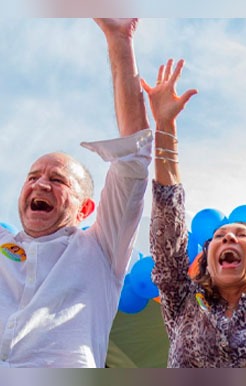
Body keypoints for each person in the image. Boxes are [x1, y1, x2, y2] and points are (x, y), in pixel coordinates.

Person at [0, 19, 151, 367]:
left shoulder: (99, 251)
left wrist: (119, 39)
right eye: (33, 176)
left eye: (58, 180)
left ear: (85, 209)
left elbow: (134, 155)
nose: (40, 185)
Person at [146, 59, 246, 367]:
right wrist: (165, 127)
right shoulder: (183, 300)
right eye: (219, 237)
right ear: (208, 259)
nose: (228, 238)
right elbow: (168, 220)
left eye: (241, 235)